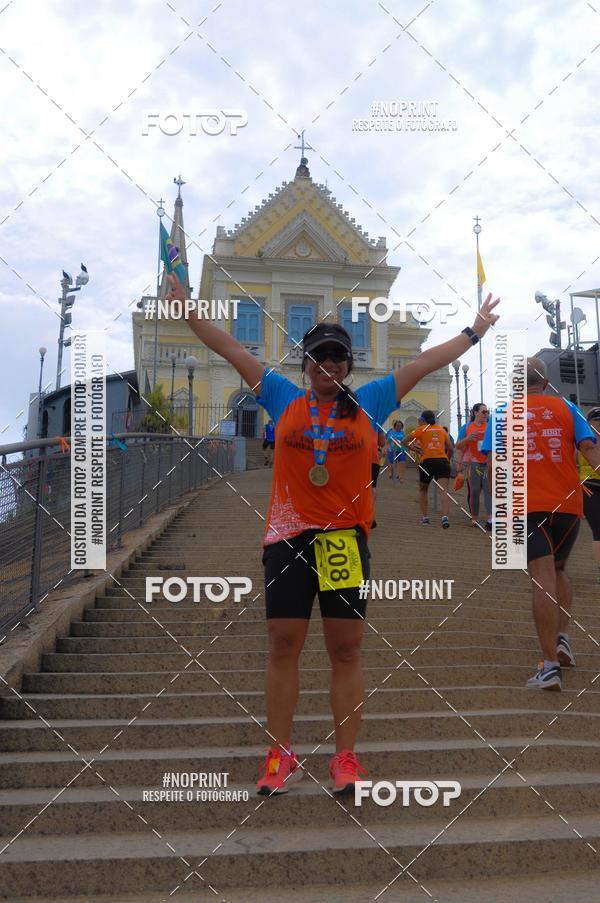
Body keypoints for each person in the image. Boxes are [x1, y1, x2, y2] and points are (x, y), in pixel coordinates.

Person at [168, 271, 499, 792]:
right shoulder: (281, 396)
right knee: (283, 644)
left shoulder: (370, 400)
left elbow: (422, 362)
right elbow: (230, 346)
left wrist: (473, 333)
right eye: (320, 357)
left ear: (349, 364)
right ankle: (280, 755)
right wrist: (187, 309)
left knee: (345, 649)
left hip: (344, 538)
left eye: (338, 358)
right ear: (306, 364)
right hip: (288, 537)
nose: (329, 365)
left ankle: (345, 757)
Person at [482, 358, 599, 691]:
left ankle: (549, 666)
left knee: (542, 578)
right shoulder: (568, 409)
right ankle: (562, 638)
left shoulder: (502, 413)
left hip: (525, 506)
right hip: (568, 506)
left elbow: (493, 466)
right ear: (545, 384)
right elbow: (592, 454)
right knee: (560, 570)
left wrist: (496, 512)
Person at [403, 412, 454, 528]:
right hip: (442, 461)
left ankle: (425, 518)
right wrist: (447, 459)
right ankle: (445, 517)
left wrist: (418, 451)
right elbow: (451, 448)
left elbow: (404, 441)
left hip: (427, 461)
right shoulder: (442, 430)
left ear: (422, 419)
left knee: (423, 490)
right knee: (444, 490)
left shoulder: (421, 429)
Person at [455, 403, 492, 530]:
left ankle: (490, 519)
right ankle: (474, 518)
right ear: (475, 413)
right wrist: (468, 439)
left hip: (487, 462)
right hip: (472, 462)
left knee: (488, 490)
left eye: (487, 412)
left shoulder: (491, 426)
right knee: (475, 491)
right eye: (483, 412)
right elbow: (458, 446)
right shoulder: (466, 427)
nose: (486, 414)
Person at [580, 407, 600, 583]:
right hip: (589, 486)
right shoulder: (582, 439)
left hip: (587, 486)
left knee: (598, 532)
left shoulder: (581, 438)